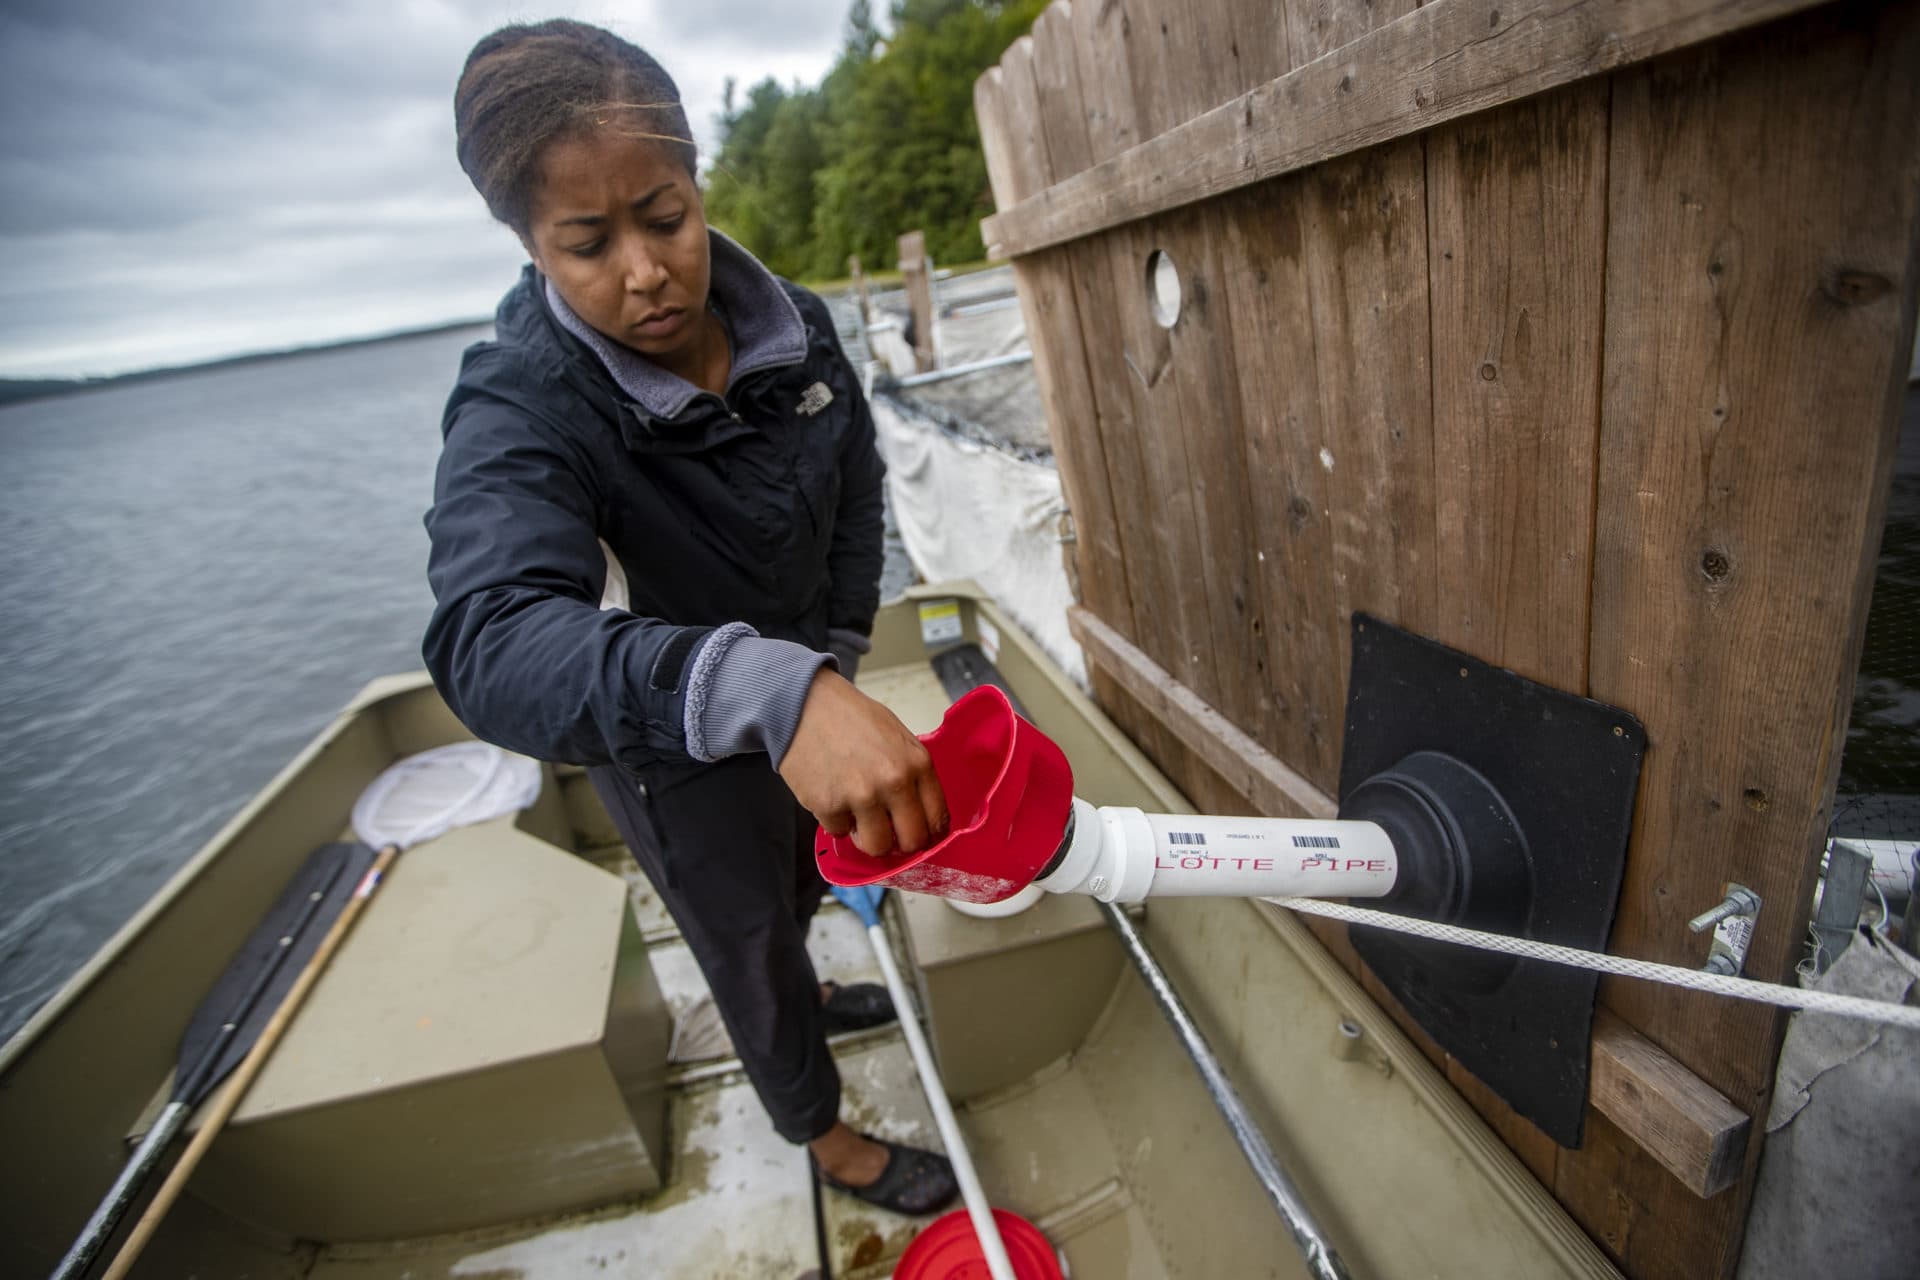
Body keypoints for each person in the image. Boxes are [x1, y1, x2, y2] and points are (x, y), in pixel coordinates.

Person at [423, 18, 957, 1216]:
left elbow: (855, 487)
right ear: (525, 243)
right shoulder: (520, 405)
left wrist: (832, 659)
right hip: (675, 747)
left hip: (811, 693)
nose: (647, 270)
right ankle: (825, 1136)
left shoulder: (800, 327)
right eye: (587, 243)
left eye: (664, 217)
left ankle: (818, 1002)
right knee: (748, 943)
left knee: (813, 877)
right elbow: (488, 636)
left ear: (697, 181)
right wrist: (764, 691)